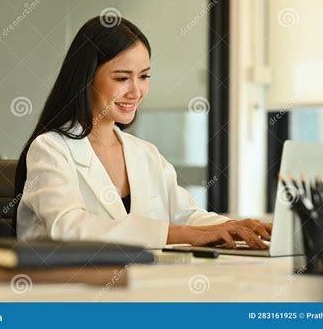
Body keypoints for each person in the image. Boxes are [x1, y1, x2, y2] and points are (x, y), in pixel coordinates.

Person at [14, 16, 271, 249]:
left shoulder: (144, 153)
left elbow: (185, 215)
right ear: (87, 78)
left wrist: (236, 227)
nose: (136, 91)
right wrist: (184, 234)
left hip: (137, 290)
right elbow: (67, 227)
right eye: (122, 78)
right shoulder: (50, 149)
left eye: (144, 76)